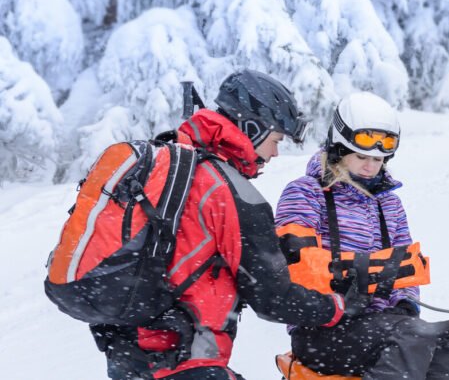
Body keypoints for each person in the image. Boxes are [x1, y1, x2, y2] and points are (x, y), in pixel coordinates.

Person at [93, 70, 352, 380]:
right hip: (183, 361)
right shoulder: (230, 192)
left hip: (128, 357)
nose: (275, 152)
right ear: (252, 129)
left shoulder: (171, 164)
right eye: (275, 139)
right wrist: (336, 306)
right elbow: (273, 299)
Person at [274, 92, 449, 379]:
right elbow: (297, 267)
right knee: (411, 337)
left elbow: (407, 266)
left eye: (380, 158)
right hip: (322, 329)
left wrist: (405, 305)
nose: (372, 166)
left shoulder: (389, 204)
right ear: (338, 150)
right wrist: (365, 274)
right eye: (362, 157)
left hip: (384, 324)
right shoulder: (305, 193)